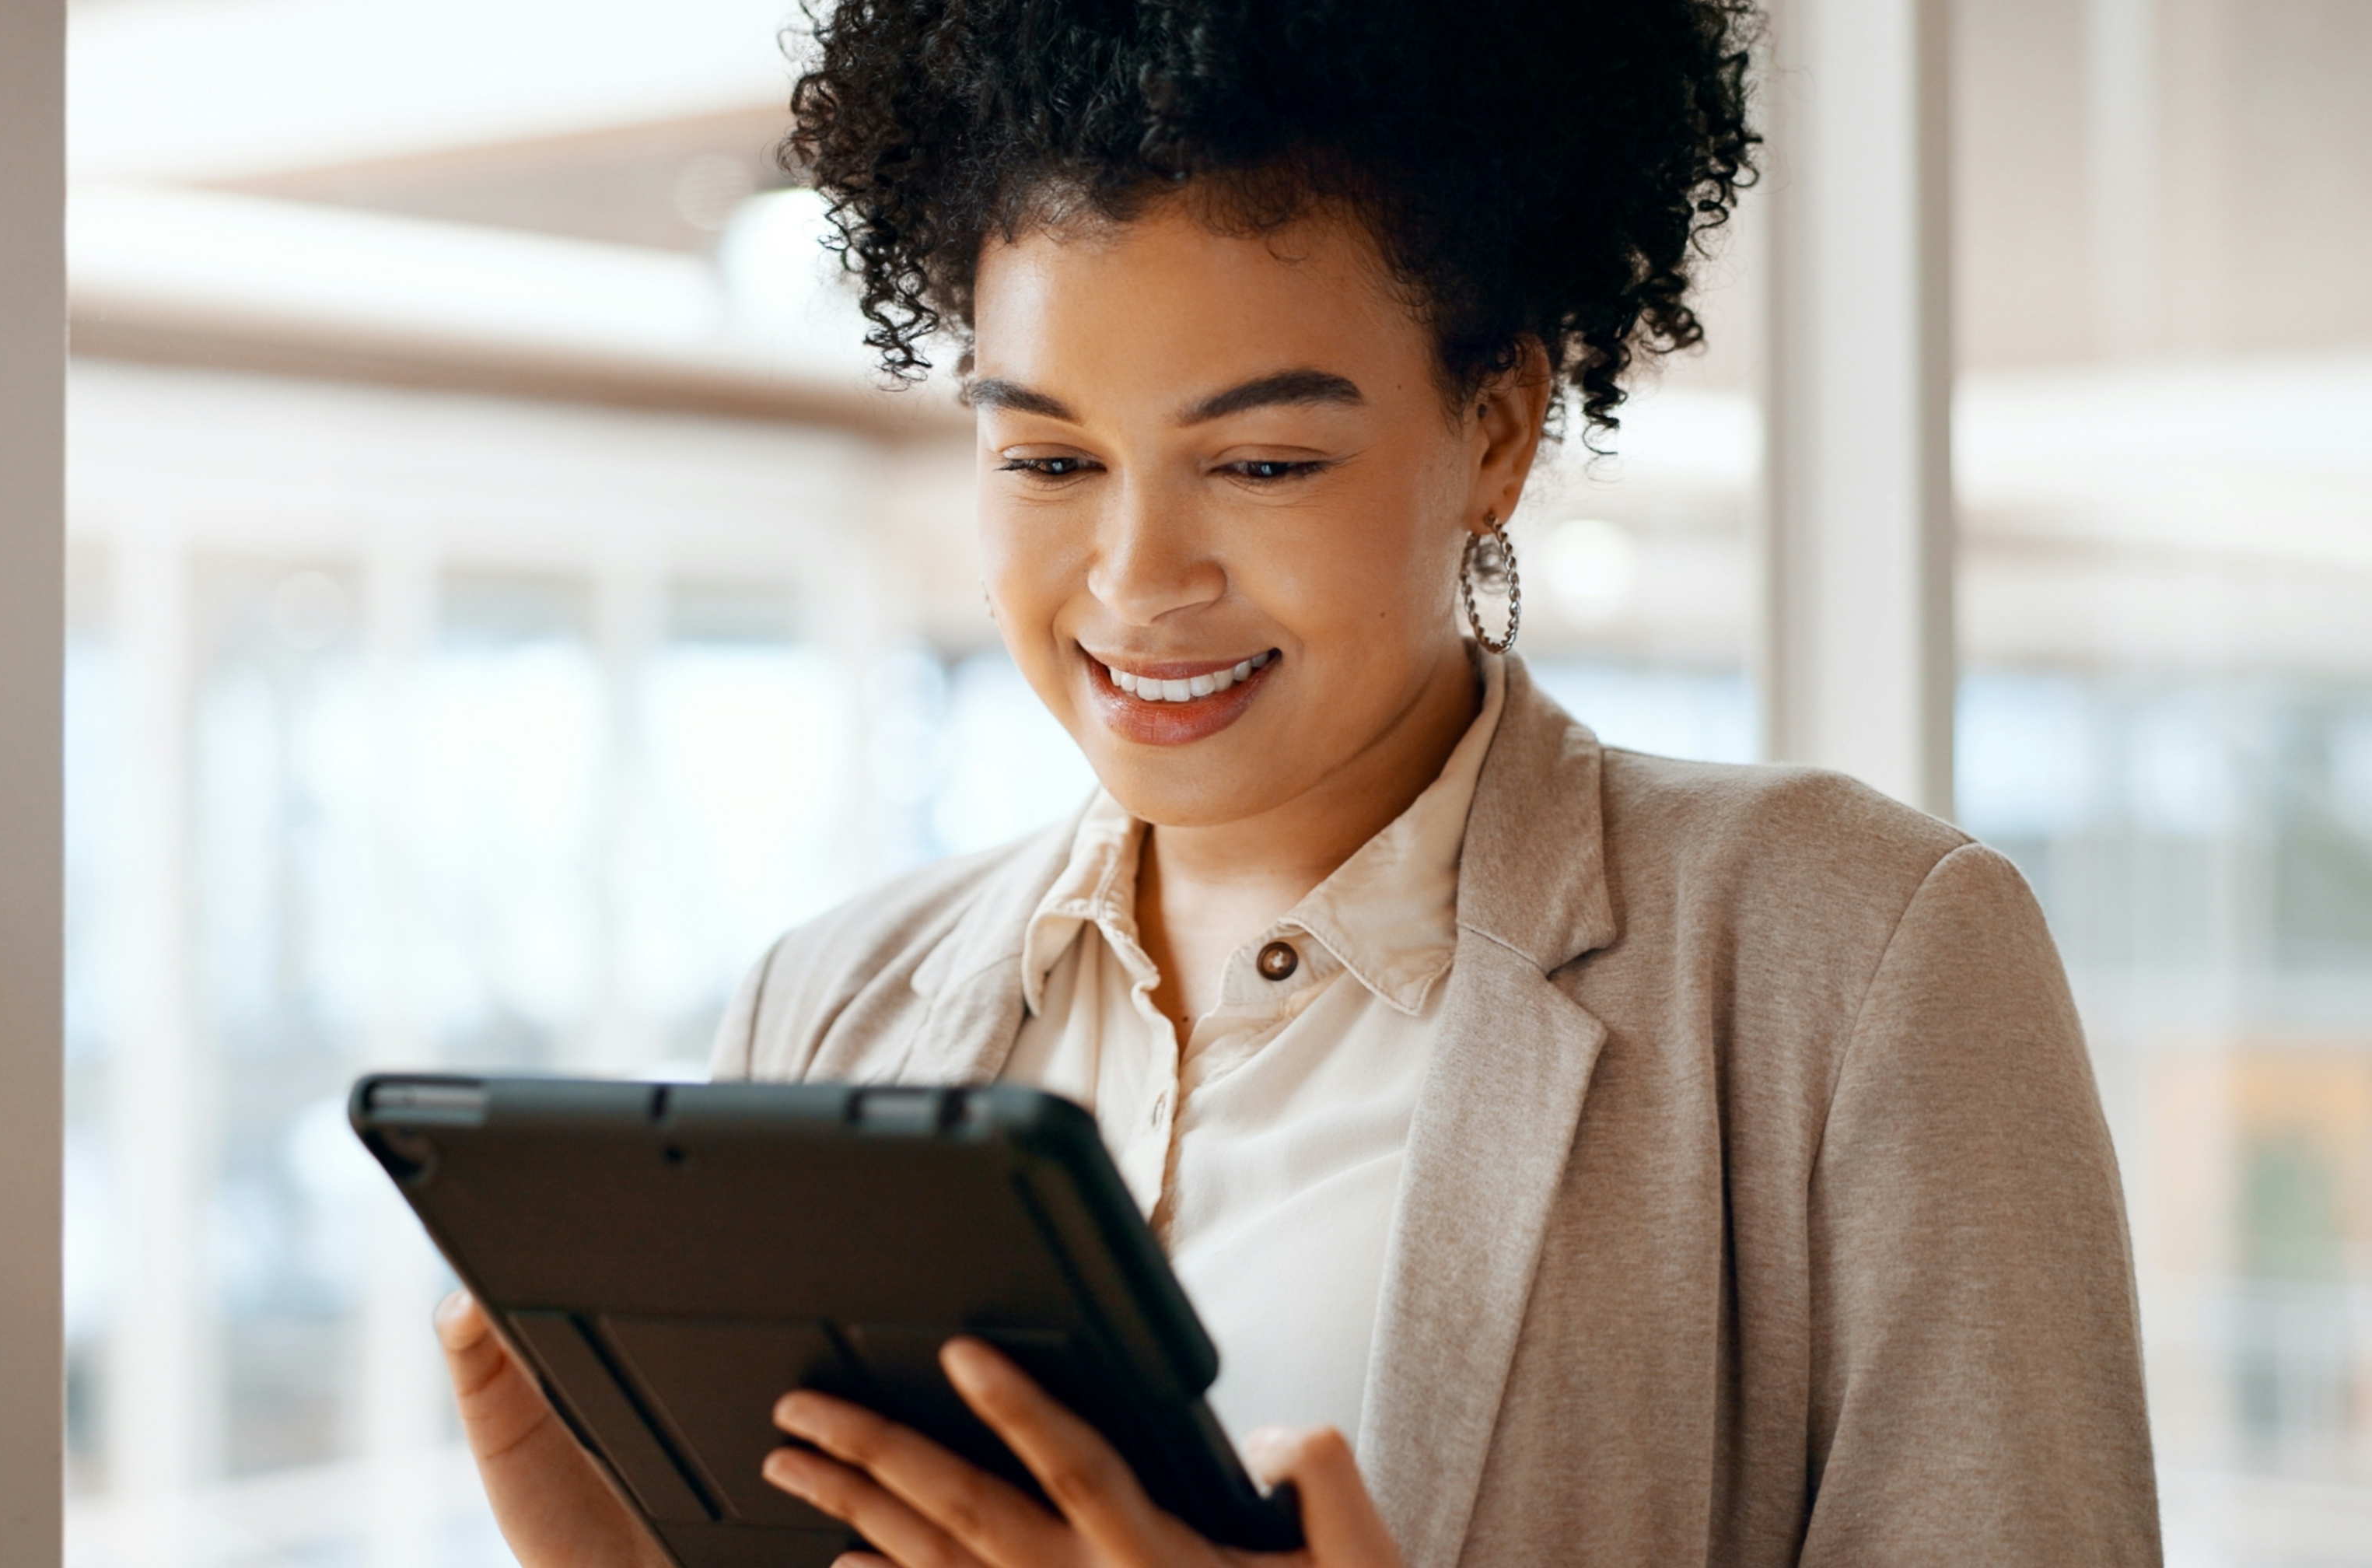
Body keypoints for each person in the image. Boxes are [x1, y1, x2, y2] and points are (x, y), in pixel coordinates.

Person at [436, 0, 2164, 1562]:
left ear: (1497, 432)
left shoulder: (1851, 961)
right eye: (1046, 457)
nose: (1134, 580)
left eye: (1260, 461)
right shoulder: (833, 1002)